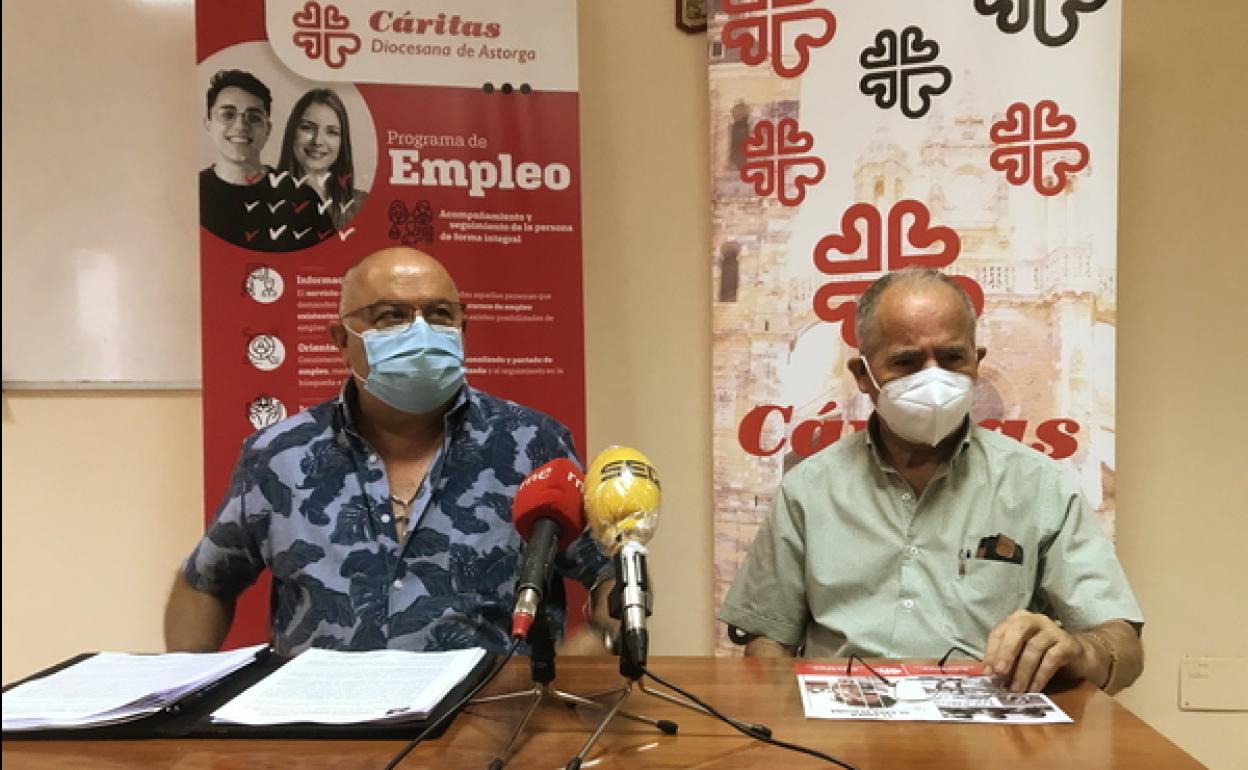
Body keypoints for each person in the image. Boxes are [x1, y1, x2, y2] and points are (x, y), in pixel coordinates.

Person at [164, 247, 611, 655]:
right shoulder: (278, 456)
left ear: (462, 328)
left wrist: (567, 674)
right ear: (341, 341)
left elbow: (613, 577)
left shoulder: (531, 443)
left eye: (440, 314)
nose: (421, 332)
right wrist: (183, 699)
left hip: (488, 729)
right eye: (390, 316)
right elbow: (204, 583)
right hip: (319, 728)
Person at [719, 267, 1144, 694]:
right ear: (863, 375)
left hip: (989, 741)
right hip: (843, 736)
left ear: (977, 363)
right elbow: (766, 641)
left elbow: (1123, 649)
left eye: (952, 358)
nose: (933, 378)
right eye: (905, 362)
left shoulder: (1040, 485)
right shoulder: (808, 490)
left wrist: (1075, 650)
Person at [199, 69, 334, 251]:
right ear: (208, 124)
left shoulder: (302, 198)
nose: (240, 126)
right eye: (227, 115)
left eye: (253, 117)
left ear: (267, 129)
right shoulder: (191, 194)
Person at [277, 88, 369, 231]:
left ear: (342, 143)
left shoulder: (363, 206)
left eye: (332, 132)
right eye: (307, 128)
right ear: (292, 133)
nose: (317, 141)